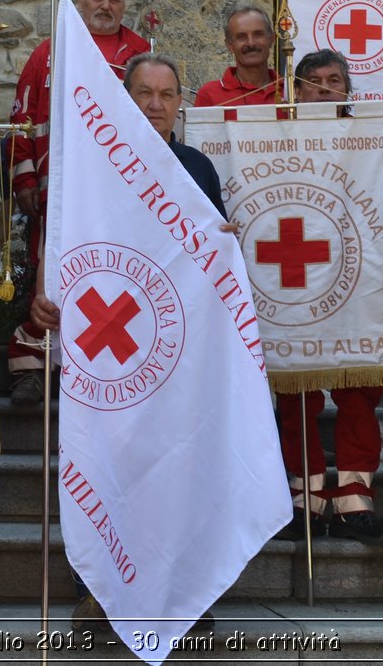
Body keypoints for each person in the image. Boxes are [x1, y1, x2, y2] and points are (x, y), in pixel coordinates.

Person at [29, 52, 233, 631]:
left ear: (179, 104)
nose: (156, 105)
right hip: (107, 351)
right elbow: (62, 236)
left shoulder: (196, 168)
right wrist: (45, 296)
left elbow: (210, 255)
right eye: (144, 92)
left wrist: (225, 248)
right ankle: (101, 591)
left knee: (178, 470)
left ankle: (185, 593)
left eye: (168, 95)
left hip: (175, 353)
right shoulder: (90, 165)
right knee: (106, 468)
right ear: (125, 97)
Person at [7, 0, 151, 404]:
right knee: (49, 282)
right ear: (81, 2)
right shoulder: (49, 52)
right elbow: (23, 120)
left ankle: (100, 365)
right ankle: (32, 365)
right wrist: (26, 178)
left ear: (125, 6)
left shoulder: (140, 54)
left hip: (119, 196)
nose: (105, 6)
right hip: (59, 197)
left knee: (110, 279)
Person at [274, 50, 383, 546]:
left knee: (356, 391)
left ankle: (353, 501)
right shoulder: (270, 137)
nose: (324, 90)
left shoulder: (373, 142)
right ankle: (304, 501)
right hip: (292, 276)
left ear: (349, 91)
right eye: (314, 82)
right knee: (297, 391)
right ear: (297, 90)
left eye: (334, 81)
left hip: (354, 279)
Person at [193, 5, 282, 108]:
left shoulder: (291, 90)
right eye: (241, 37)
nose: (251, 43)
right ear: (230, 45)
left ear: (271, 39)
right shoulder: (209, 95)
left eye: (258, 34)